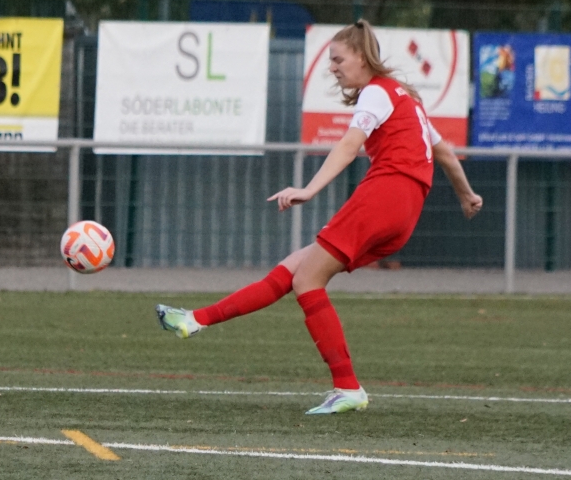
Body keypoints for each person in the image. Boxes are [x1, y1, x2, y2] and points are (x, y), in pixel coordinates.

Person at [155, 21, 483, 413]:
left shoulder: (376, 93)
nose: (332, 67)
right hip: (405, 212)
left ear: (361, 57)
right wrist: (467, 195)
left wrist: (308, 189)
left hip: (385, 195)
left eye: (337, 59)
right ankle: (195, 320)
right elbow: (444, 153)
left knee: (307, 279)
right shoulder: (405, 99)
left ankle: (348, 386)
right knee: (295, 268)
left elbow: (348, 144)